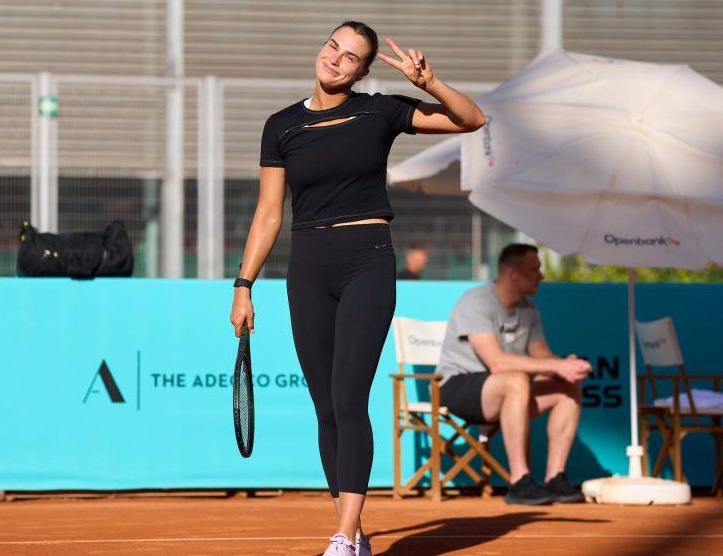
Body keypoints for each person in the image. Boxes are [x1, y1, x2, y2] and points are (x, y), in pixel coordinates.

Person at [229, 21, 485, 556]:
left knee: (349, 398)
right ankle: (355, 532)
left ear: (363, 71)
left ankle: (343, 536)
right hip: (307, 267)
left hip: (366, 260)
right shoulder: (280, 125)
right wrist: (243, 285)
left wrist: (429, 83)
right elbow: (269, 213)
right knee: (326, 407)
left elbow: (471, 119)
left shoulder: (379, 111)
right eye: (332, 47)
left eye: (350, 57)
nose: (335, 59)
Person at [436, 243, 591, 506]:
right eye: (534, 270)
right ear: (512, 273)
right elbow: (497, 363)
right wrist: (556, 366)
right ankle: (519, 481)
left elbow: (542, 355)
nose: (541, 276)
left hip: (506, 392)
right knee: (516, 379)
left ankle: (555, 477)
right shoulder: (475, 301)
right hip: (458, 388)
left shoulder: (529, 308)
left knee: (567, 387)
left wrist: (566, 365)